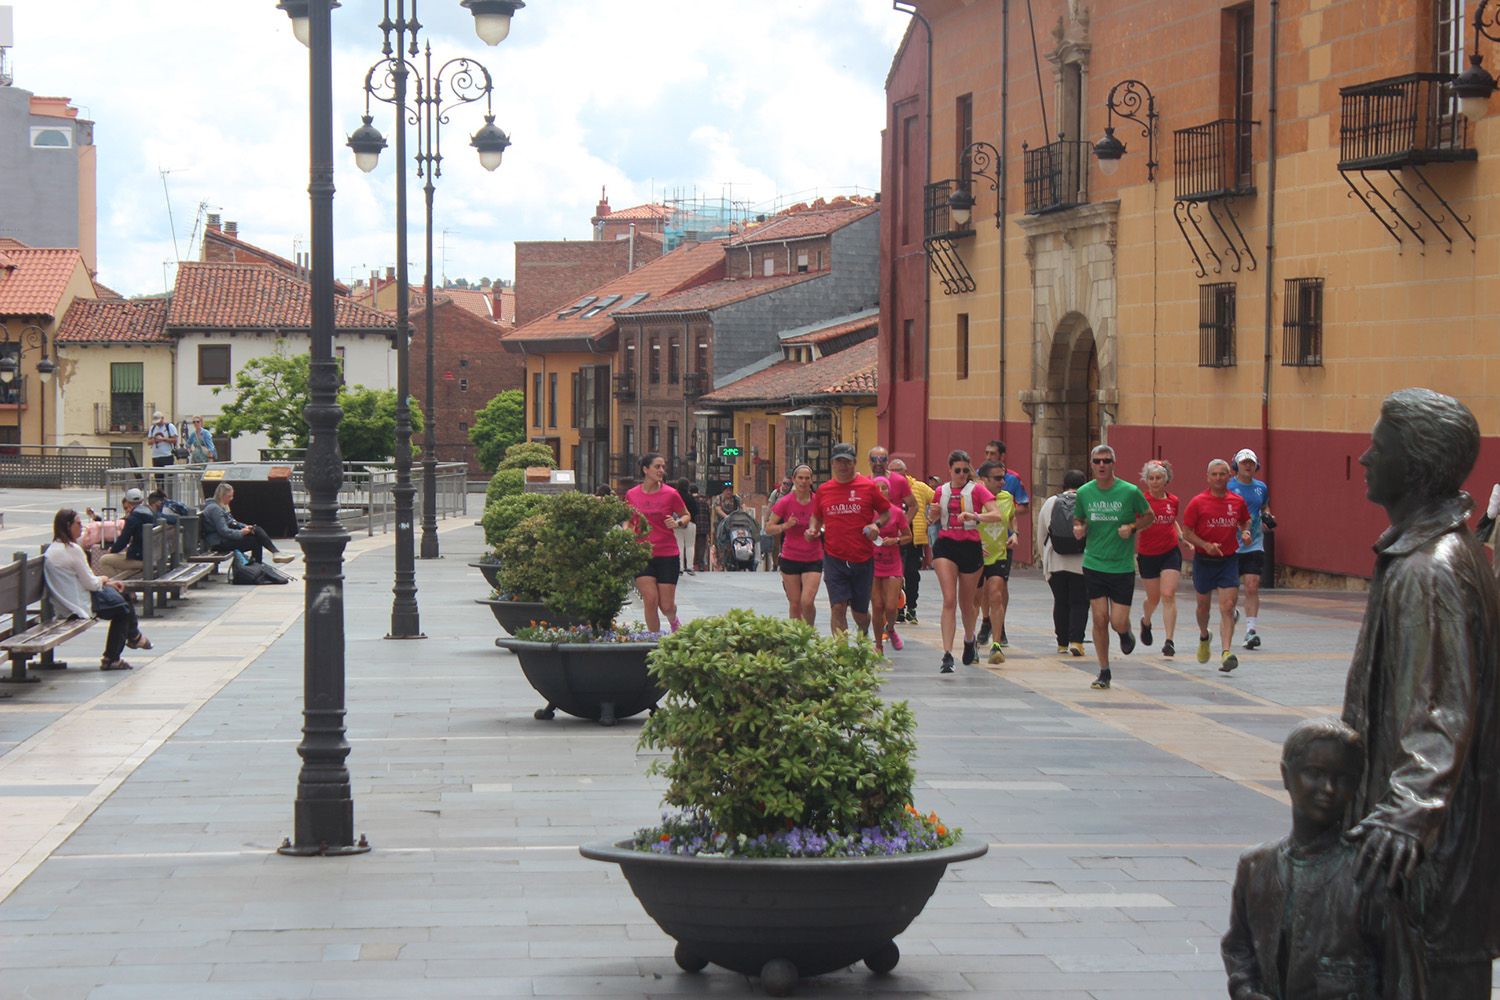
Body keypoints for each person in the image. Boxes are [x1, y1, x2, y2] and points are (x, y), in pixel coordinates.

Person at [1342, 388, 1500, 998]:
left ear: (1412, 466)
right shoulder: (1437, 553)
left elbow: (1441, 710)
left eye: (1377, 447)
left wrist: (1405, 816)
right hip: (1441, 847)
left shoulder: (1429, 569)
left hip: (1429, 857)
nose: (1362, 458)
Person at [1222, 717, 1423, 1000]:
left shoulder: (1368, 874)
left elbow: (1402, 977)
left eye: (1342, 779)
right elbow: (1238, 947)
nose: (1328, 788)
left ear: (1356, 787)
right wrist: (1245, 990)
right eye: (1314, 773)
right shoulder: (1256, 866)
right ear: (1285, 775)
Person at [1072, 444, 1153, 690]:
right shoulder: (1085, 493)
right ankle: (1104, 670)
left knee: (1117, 620)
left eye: (1106, 461)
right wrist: (1079, 528)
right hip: (1094, 563)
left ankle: (1124, 631)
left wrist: (1133, 528)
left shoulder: (1129, 491)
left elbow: (1148, 515)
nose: (1101, 465)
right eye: (1097, 461)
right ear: (1091, 464)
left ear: (1113, 464)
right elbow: (1079, 518)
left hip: (1121, 566)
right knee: (1099, 618)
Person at [927, 449, 1006, 673]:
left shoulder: (977, 490)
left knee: (968, 603)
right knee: (949, 599)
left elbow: (997, 514)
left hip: (971, 546)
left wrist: (976, 516)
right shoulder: (940, 491)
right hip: (946, 545)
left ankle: (969, 639)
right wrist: (931, 513)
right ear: (949, 470)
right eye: (957, 470)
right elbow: (932, 518)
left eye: (964, 470)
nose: (961, 474)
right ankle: (947, 654)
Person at [43, 508, 151, 671]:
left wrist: (108, 583)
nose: (82, 527)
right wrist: (105, 580)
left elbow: (88, 581)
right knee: (121, 609)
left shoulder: (56, 548)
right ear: (67, 526)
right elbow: (91, 584)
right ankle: (113, 656)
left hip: (71, 598)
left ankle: (134, 637)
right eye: (78, 524)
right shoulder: (71, 550)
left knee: (122, 595)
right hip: (77, 603)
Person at [810, 442, 891, 636]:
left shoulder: (868, 486)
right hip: (834, 556)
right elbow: (816, 515)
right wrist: (813, 528)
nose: (843, 466)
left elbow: (886, 513)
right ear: (832, 464)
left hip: (862, 558)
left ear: (854, 463)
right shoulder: (824, 490)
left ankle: (863, 631)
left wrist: (875, 525)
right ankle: (842, 654)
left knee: (859, 613)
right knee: (837, 607)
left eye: (847, 462)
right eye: (839, 462)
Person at [1180, 459, 1252, 673]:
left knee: (1228, 606)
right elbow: (1187, 532)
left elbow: (1244, 521)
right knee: (1203, 607)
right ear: (1208, 477)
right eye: (1215, 474)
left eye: (1223, 474)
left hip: (1228, 560)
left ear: (1229, 476)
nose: (1219, 478)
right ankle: (1204, 636)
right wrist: (1205, 545)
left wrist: (1246, 532)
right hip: (1204, 561)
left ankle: (1226, 653)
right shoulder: (1198, 502)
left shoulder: (1237, 501)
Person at [625, 454, 689, 633]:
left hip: (667, 554)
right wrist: (627, 535)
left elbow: (686, 514)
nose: (662, 470)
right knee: (650, 599)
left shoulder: (671, 494)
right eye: (657, 467)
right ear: (645, 469)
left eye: (663, 467)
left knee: (666, 606)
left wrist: (678, 523)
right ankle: (654, 641)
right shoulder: (631, 495)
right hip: (642, 553)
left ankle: (673, 620)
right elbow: (630, 521)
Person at [980, 440, 1029, 647]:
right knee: (982, 588)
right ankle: (985, 621)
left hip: (1003, 540)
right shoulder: (977, 480)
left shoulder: (1012, 481)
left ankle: (999, 628)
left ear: (1002, 456)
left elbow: (1021, 507)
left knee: (999, 587)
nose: (989, 456)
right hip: (980, 544)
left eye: (993, 453)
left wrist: (1011, 528)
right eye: (987, 452)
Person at [1037, 469, 1088, 657]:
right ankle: (1077, 641)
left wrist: (1045, 561)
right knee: (1079, 602)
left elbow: (1041, 534)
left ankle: (1062, 643)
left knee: (1061, 601)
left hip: (1056, 561)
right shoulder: (1087, 502)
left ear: (1063, 484)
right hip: (1082, 562)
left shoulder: (1051, 502)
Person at [764, 464, 823, 625]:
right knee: (795, 604)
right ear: (793, 480)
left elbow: (829, 524)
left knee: (807, 601)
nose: (803, 481)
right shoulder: (785, 502)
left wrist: (818, 531)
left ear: (812, 480)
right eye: (800, 478)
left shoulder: (818, 501)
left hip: (813, 557)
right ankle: (796, 637)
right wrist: (785, 526)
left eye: (807, 478)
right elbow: (768, 528)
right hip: (791, 557)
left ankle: (809, 631)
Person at [1136, 460, 1183, 657]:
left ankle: (1169, 641)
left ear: (1166, 480)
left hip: (1170, 552)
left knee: (1169, 594)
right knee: (1153, 598)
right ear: (1146, 481)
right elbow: (1134, 523)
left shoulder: (1173, 500)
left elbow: (1172, 521)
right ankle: (1146, 620)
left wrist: (1182, 537)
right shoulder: (1140, 501)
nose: (1155, 482)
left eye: (1159, 478)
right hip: (1147, 554)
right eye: (1151, 478)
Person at [1227, 448, 1272, 650]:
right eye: (1244, 462)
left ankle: (1251, 631)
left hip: (1254, 543)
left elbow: (1264, 507)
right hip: (1231, 544)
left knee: (1252, 586)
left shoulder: (1261, 487)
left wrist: (1268, 517)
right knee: (1231, 593)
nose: (1248, 466)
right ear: (1236, 466)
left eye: (1251, 463)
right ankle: (1234, 611)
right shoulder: (1228, 486)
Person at [974, 461, 1018, 664]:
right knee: (975, 599)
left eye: (1004, 477)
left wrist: (1015, 534)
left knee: (996, 595)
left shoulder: (1007, 497)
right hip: (976, 555)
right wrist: (973, 543)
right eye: (998, 478)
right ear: (984, 479)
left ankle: (997, 645)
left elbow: (1011, 518)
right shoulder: (973, 497)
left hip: (999, 553)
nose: (1003, 481)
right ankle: (970, 641)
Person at [869, 475, 911, 655]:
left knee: (891, 606)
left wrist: (895, 540)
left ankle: (891, 628)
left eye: (884, 488)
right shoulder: (868, 513)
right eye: (877, 488)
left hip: (893, 563)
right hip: (872, 563)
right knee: (877, 605)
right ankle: (878, 644)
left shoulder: (897, 512)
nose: (881, 491)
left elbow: (908, 536)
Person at [202, 482, 289, 565]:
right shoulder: (215, 509)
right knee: (255, 541)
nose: (231, 499)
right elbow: (224, 531)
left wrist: (246, 527)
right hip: (218, 543)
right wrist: (241, 533)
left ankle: (269, 557)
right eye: (229, 496)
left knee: (256, 530)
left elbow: (232, 522)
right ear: (222, 496)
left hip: (222, 539)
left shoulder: (219, 507)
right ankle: (269, 557)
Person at [890, 458, 931, 624]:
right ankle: (899, 608)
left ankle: (911, 607)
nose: (896, 475)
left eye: (899, 471)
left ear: (905, 472)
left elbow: (937, 499)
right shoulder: (885, 488)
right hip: (894, 537)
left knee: (912, 573)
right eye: (892, 471)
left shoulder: (919, 487)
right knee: (895, 574)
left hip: (914, 537)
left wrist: (929, 520)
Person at [97, 487, 155, 579]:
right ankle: (127, 591)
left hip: (141, 558)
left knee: (104, 560)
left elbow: (123, 540)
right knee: (118, 563)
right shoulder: (151, 513)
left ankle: (122, 589)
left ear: (127, 502)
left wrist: (112, 550)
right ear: (142, 500)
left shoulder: (133, 518)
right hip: (152, 556)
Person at [709, 483, 741, 571]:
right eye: (727, 490)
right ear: (723, 491)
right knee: (720, 542)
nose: (729, 492)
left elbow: (741, 508)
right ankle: (720, 562)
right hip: (721, 523)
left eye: (730, 490)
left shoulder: (736, 499)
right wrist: (726, 516)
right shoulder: (718, 498)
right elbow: (718, 509)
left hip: (734, 524)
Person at [146, 411, 178, 487]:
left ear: (162, 419)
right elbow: (148, 442)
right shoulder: (153, 428)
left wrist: (163, 439)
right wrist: (155, 440)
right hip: (156, 456)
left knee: (168, 478)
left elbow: (175, 439)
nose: (157, 424)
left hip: (167, 456)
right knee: (158, 478)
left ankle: (168, 494)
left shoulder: (169, 427)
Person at [671, 477, 696, 575]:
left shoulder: (675, 496)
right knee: (690, 545)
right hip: (690, 523)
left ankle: (680, 568)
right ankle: (690, 567)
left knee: (679, 545)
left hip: (677, 523)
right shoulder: (690, 497)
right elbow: (696, 510)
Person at [690, 484, 711, 572]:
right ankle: (701, 564)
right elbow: (708, 515)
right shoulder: (704, 502)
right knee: (702, 546)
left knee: (691, 545)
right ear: (697, 491)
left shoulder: (690, 501)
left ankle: (693, 563)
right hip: (703, 527)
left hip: (693, 526)